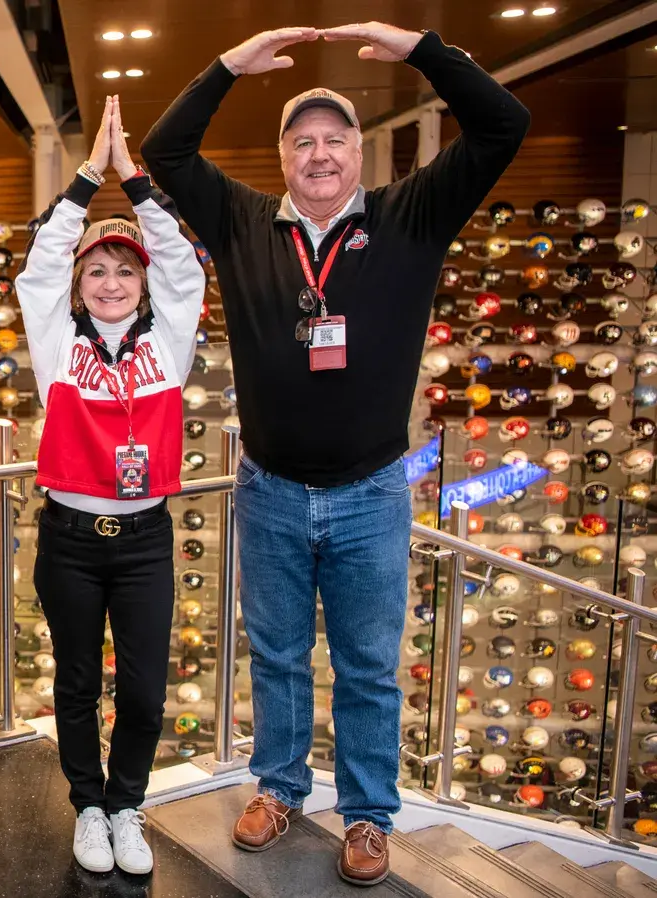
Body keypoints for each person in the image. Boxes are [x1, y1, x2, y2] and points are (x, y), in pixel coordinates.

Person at [140, 22, 529, 886]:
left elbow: (502, 126)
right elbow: (164, 149)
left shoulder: (410, 215)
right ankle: (278, 789)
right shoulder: (241, 220)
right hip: (269, 489)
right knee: (274, 655)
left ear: (359, 151)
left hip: (370, 492)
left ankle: (364, 816)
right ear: (282, 156)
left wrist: (423, 51)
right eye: (301, 141)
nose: (318, 155)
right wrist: (228, 65)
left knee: (365, 666)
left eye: (333, 139)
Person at [15, 96, 206, 876]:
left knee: (144, 688)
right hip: (66, 537)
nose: (109, 282)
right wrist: (88, 176)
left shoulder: (170, 337)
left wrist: (136, 181)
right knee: (75, 681)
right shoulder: (56, 342)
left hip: (143, 538)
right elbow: (37, 266)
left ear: (143, 281)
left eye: (124, 270)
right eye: (95, 270)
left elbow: (185, 263)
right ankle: (87, 807)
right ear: (79, 281)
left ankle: (129, 804)